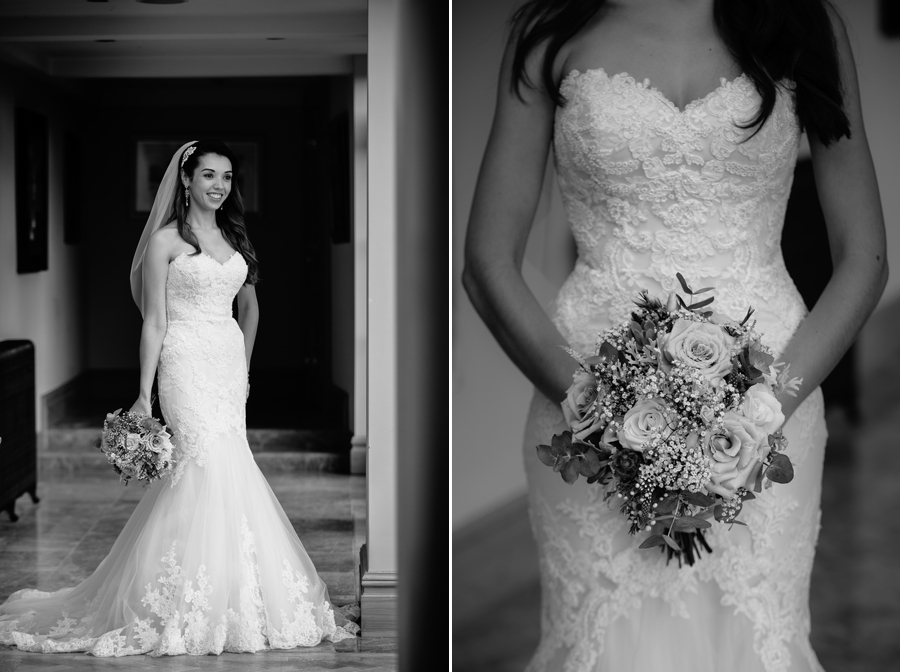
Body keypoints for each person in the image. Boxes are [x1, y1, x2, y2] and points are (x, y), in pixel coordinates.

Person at [462, 1, 887, 670]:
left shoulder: (805, 21)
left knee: (754, 639)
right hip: (582, 407)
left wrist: (762, 410)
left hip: (775, 398)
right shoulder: (551, 31)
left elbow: (864, 257)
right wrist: (596, 408)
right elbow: (486, 264)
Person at [0, 140, 358, 656]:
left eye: (228, 177)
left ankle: (232, 594)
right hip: (184, 361)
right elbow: (154, 321)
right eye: (209, 175)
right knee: (201, 464)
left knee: (231, 466)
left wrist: (245, 365)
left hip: (227, 364)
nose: (219, 186)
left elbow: (251, 308)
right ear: (186, 180)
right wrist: (144, 395)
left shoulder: (236, 237)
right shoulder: (165, 242)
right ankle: (177, 601)